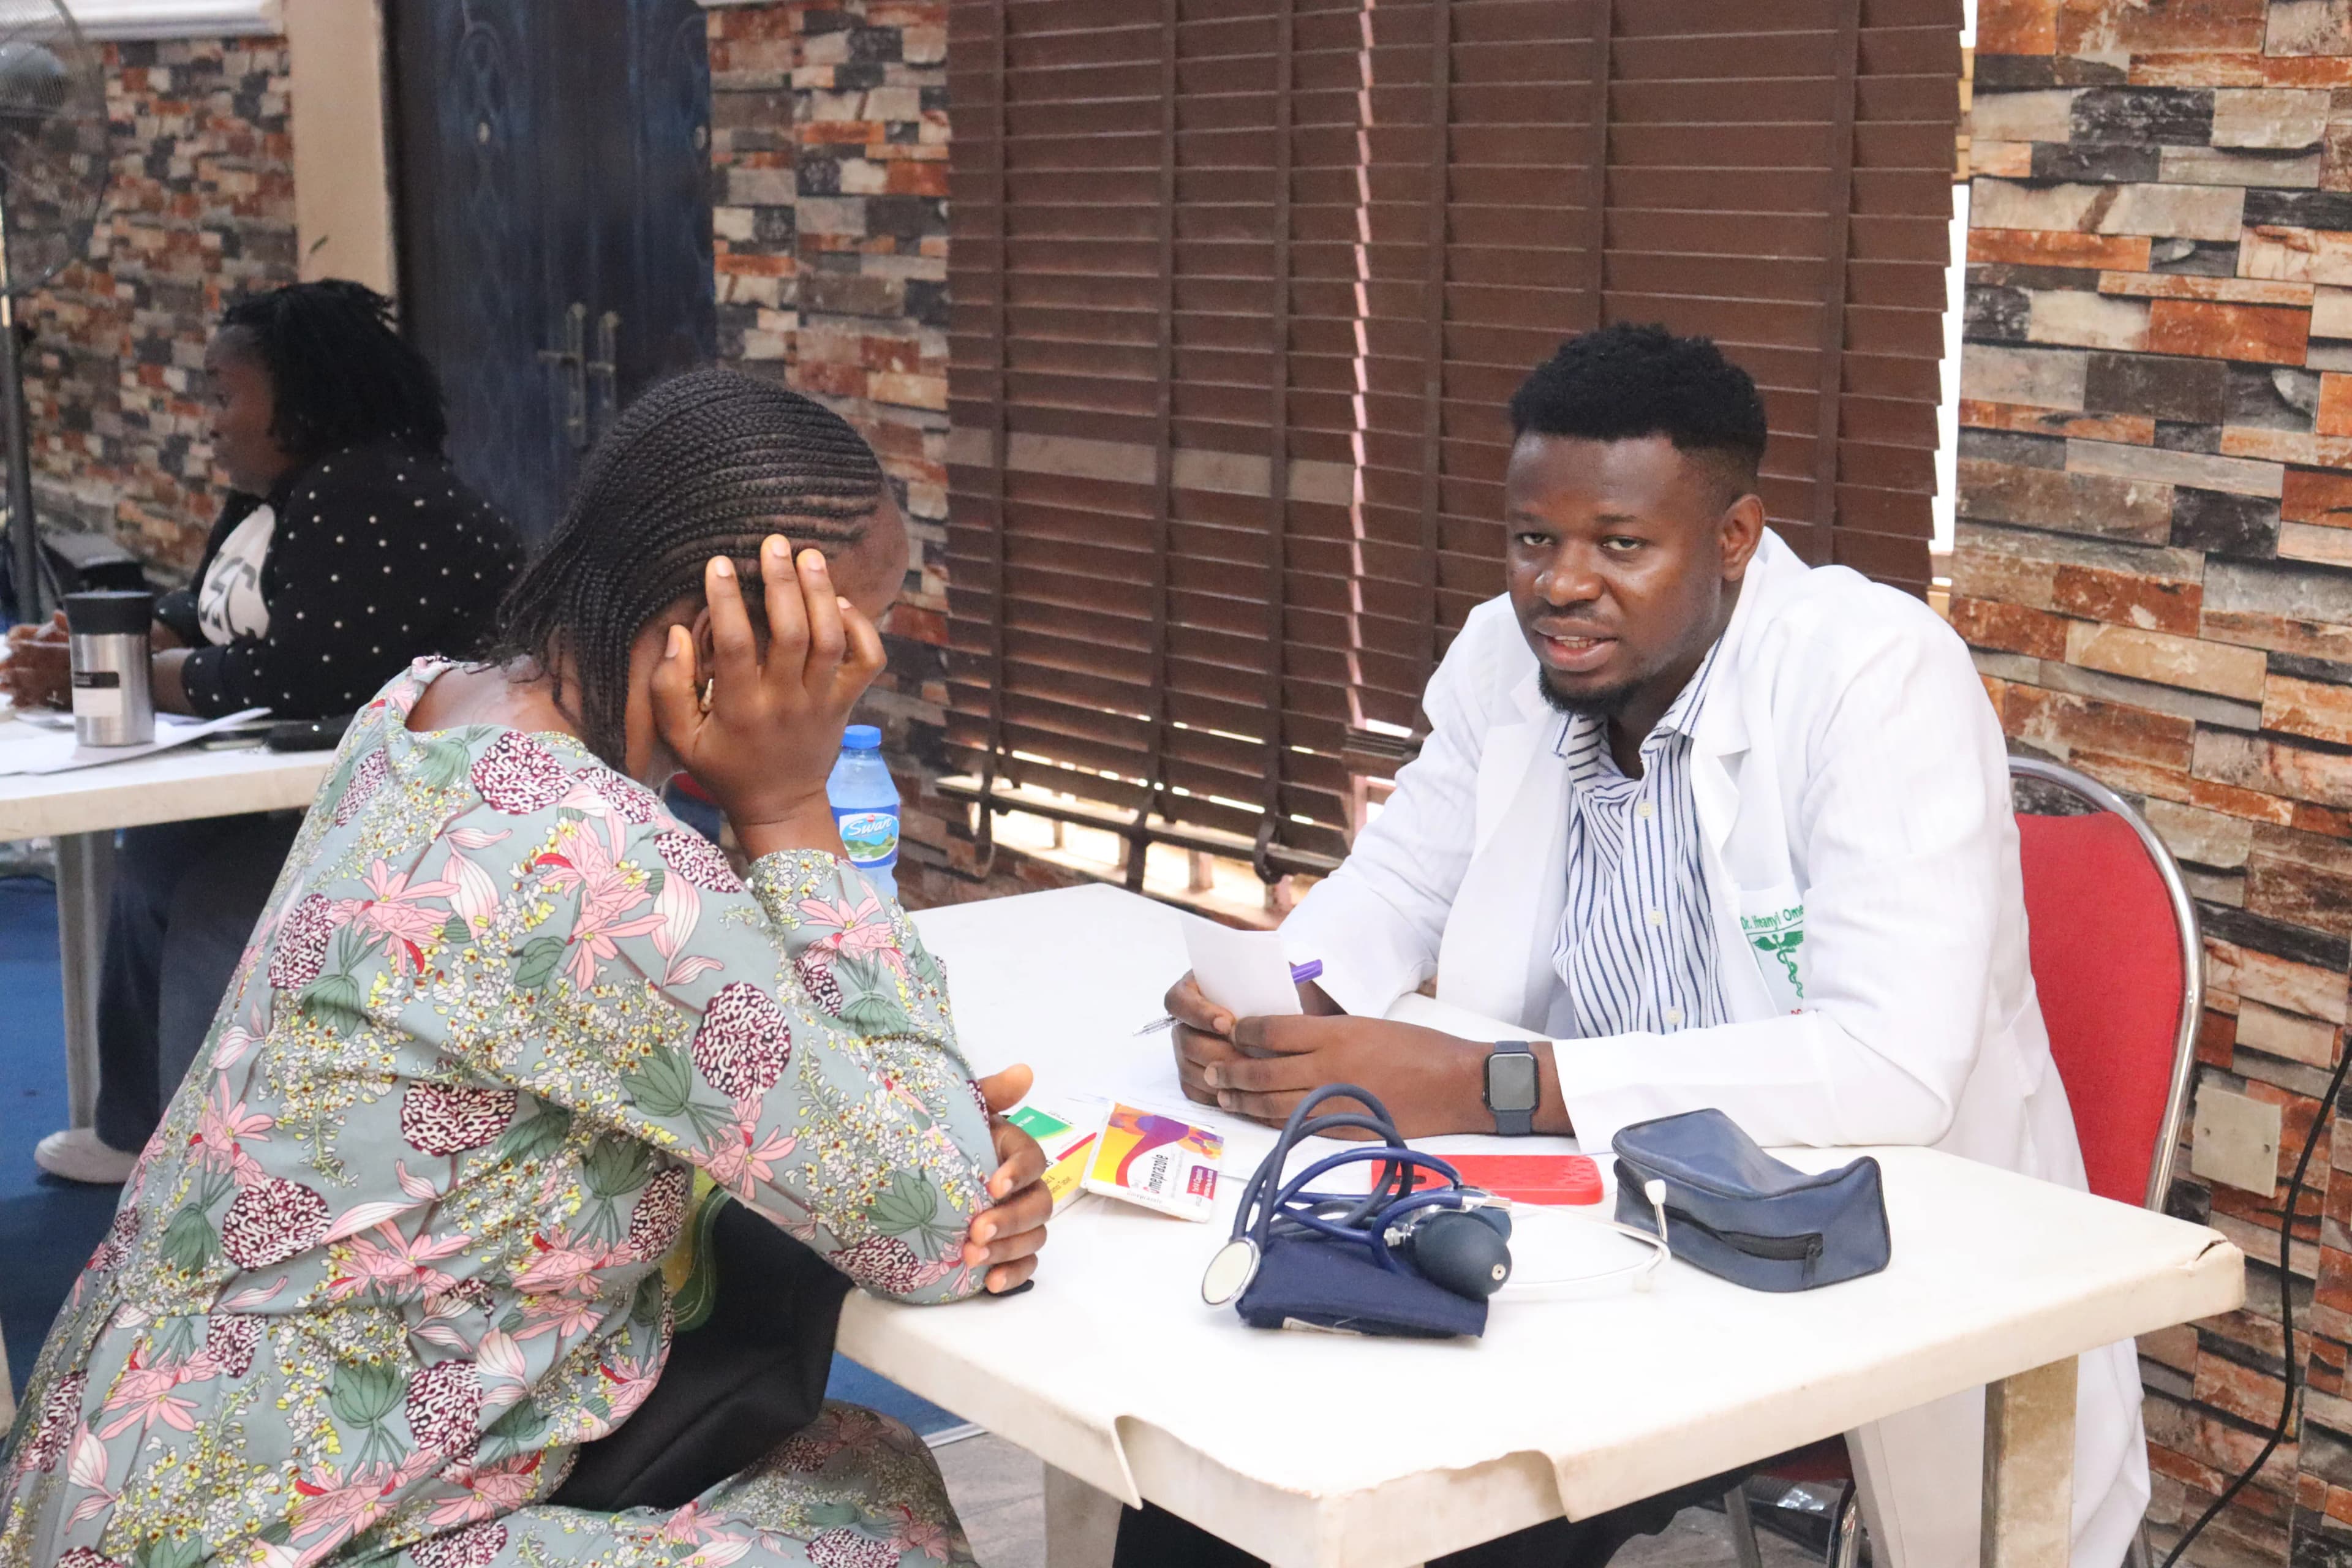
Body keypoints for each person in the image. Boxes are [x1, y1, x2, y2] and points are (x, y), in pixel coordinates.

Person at [0, 369, 1054, 1568]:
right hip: (280, 1534)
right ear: (722, 632)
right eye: (845, 643)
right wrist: (796, 808)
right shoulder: (601, 861)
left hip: (124, 1473)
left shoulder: (422, 712)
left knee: (848, 1457)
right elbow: (939, 1221)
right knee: (874, 1518)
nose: (858, 681)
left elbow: (600, 1077)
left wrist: (878, 1123)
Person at [1148, 325, 2142, 1568]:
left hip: (1820, 1251)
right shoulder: (1511, 655)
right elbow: (1402, 878)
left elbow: (1892, 1067)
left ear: (1732, 538)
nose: (1562, 584)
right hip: (1580, 1229)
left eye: (1621, 544)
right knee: (1229, 1466)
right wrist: (1280, 1006)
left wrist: (1488, 1084)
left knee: (1453, 1515)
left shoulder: (1874, 674)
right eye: (1534, 539)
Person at [5, 279, 521, 1185]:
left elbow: (294, 675)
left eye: (222, 392)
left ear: (300, 400)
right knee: (162, 856)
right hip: (333, 777)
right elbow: (199, 614)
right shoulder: (272, 498)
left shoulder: (368, 492)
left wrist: (110, 674)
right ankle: (140, 1132)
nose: (208, 418)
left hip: (444, 797)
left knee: (217, 903)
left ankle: (206, 1181)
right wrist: (95, 644)